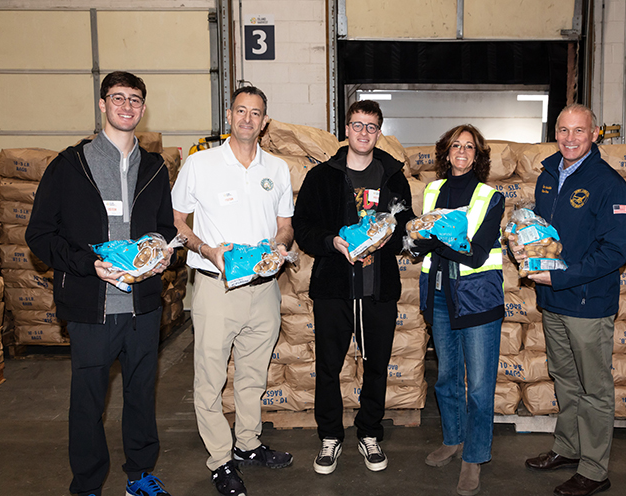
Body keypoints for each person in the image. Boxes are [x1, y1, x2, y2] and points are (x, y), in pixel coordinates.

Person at [26, 71, 175, 496]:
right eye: (118, 98)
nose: (126, 106)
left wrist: (161, 252)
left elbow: (164, 227)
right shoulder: (70, 166)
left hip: (143, 307)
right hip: (93, 306)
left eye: (134, 100)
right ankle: (88, 484)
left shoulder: (154, 168)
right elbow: (39, 234)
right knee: (88, 401)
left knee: (141, 395)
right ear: (102, 104)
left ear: (143, 109)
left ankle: (140, 475)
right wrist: (87, 264)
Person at [170, 85, 294, 496]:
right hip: (216, 288)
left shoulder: (276, 168)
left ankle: (247, 444)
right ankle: (220, 460)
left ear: (264, 121)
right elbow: (177, 223)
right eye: (240, 111)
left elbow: (285, 225)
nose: (247, 119)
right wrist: (206, 249)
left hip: (264, 288)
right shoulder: (200, 164)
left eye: (256, 113)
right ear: (228, 115)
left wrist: (279, 246)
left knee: (253, 375)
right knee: (209, 378)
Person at [510, 104, 626, 496]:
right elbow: (545, 235)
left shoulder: (610, 184)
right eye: (563, 130)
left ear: (594, 134)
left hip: (587, 303)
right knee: (565, 379)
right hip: (553, 300)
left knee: (594, 388)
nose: (570, 138)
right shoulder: (549, 176)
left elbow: (613, 253)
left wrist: (561, 276)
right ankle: (567, 447)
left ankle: (595, 470)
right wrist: (521, 242)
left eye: (579, 131)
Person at [292, 100, 413, 476]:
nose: (364, 132)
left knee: (376, 365)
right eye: (357, 125)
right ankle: (330, 436)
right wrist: (333, 242)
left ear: (380, 132)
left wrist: (384, 238)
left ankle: (369, 432)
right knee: (328, 366)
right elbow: (304, 229)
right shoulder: (323, 176)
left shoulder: (393, 176)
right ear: (346, 129)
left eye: (371, 127)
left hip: (378, 289)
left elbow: (405, 226)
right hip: (334, 288)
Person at [417, 125, 505, 496]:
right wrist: (420, 238)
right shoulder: (433, 190)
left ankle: (475, 456)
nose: (462, 151)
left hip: (478, 299)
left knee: (480, 385)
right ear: (446, 152)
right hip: (439, 296)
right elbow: (421, 243)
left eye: (470, 146)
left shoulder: (490, 197)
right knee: (447, 377)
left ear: (478, 155)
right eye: (456, 145)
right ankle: (453, 439)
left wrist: (433, 239)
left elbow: (478, 251)